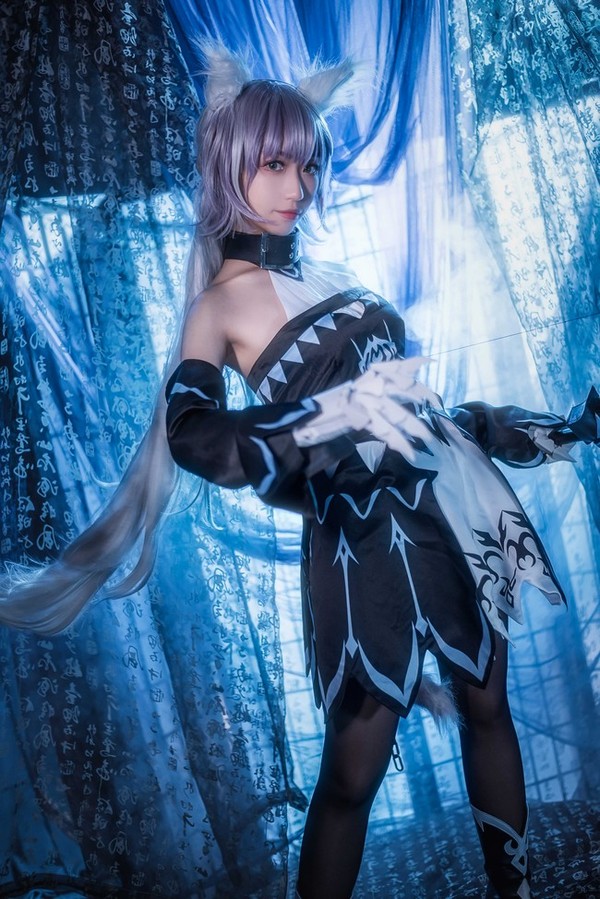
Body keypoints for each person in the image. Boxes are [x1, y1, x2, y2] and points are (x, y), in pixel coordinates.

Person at [1, 40, 597, 899]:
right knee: (351, 777)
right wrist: (328, 412)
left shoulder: (333, 275)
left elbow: (433, 422)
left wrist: (558, 429)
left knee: (487, 706)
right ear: (230, 165)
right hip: (360, 543)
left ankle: (519, 892)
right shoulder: (217, 307)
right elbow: (194, 433)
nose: (299, 185)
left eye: (308, 164)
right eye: (276, 164)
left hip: (451, 514)